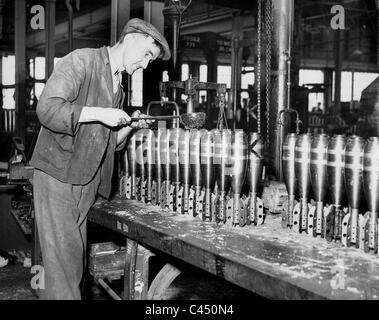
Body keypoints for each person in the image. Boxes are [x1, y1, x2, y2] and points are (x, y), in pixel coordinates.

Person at [30, 18, 171, 300]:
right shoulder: (81, 61)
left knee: (72, 266)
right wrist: (101, 112)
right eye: (146, 55)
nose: (145, 65)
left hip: (85, 183)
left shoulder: (116, 84)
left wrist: (130, 126)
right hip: (59, 178)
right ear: (131, 38)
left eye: (150, 61)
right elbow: (47, 109)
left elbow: (109, 144)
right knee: (64, 271)